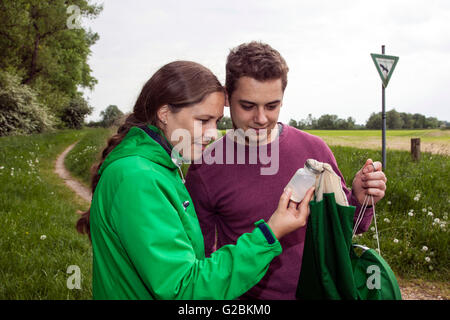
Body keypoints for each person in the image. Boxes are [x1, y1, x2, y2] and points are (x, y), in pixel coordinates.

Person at [76, 60, 315, 300]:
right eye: (203, 120)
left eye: (216, 121)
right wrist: (269, 234)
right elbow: (184, 287)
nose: (213, 134)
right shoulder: (139, 178)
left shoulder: (157, 166)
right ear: (164, 113)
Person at [185, 42, 387, 300]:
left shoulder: (315, 149)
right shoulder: (206, 166)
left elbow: (345, 227)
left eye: (272, 106)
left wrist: (360, 198)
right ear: (227, 97)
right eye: (247, 106)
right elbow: (199, 259)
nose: (260, 118)